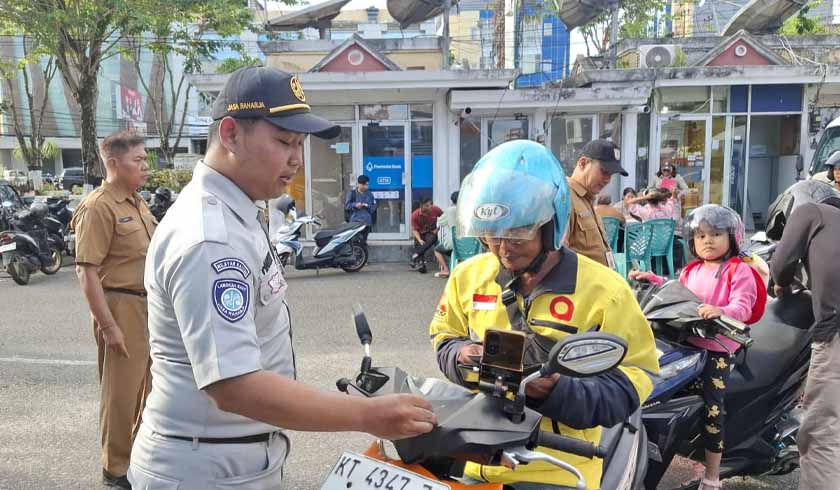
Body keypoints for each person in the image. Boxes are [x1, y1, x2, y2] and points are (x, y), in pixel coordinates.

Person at [128, 66, 435, 490]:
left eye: (300, 144)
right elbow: (234, 386)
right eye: (284, 142)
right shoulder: (210, 238)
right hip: (208, 468)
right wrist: (369, 416)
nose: (296, 158)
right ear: (231, 134)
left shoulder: (239, 212)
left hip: (231, 455)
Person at [430, 139, 659, 489]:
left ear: (551, 225)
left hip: (560, 468)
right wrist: (463, 357)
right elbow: (444, 335)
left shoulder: (606, 291)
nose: (503, 248)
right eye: (491, 235)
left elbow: (636, 378)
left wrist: (555, 390)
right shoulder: (468, 276)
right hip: (479, 460)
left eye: (518, 235)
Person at [630, 205, 762, 490]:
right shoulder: (692, 270)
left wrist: (720, 311)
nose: (708, 241)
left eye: (716, 234)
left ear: (733, 237)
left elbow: (742, 305)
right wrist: (651, 280)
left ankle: (713, 477)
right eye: (701, 235)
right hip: (686, 346)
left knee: (712, 412)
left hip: (716, 350)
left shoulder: (738, 271)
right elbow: (676, 291)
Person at [71, 131, 156, 489]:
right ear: (113, 164)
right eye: (139, 161)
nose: (146, 167)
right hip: (120, 305)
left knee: (150, 388)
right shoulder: (98, 206)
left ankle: (137, 455)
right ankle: (115, 468)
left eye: (146, 160)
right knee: (121, 392)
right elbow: (86, 271)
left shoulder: (137, 203)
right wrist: (108, 326)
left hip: (149, 307)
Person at [767, 180, 840, 490]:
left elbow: (781, 264)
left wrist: (780, 284)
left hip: (836, 334)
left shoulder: (811, 211)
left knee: (821, 433)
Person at [567, 139, 628, 268]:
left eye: (611, 174)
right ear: (583, 163)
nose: (608, 180)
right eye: (604, 171)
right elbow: (556, 258)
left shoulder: (586, 199)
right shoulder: (565, 198)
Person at [410, 197, 443, 273]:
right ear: (421, 206)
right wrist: (419, 239)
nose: (430, 207)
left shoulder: (435, 209)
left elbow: (444, 218)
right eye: (427, 205)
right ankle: (421, 264)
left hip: (431, 232)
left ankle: (415, 256)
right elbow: (415, 230)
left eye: (430, 204)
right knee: (419, 243)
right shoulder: (415, 215)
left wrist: (437, 229)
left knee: (432, 239)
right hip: (420, 233)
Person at [433, 191, 459, 278]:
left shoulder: (450, 210)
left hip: (453, 243)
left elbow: (440, 221)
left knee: (437, 250)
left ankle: (445, 270)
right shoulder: (467, 209)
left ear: (452, 200)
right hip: (469, 244)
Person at [344, 174, 376, 242]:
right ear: (359, 184)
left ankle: (363, 251)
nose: (366, 186)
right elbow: (347, 206)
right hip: (355, 222)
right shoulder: (352, 193)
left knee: (363, 242)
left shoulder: (369, 194)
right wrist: (355, 205)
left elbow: (373, 206)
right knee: (355, 241)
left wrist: (368, 206)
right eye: (364, 185)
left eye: (367, 185)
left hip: (366, 222)